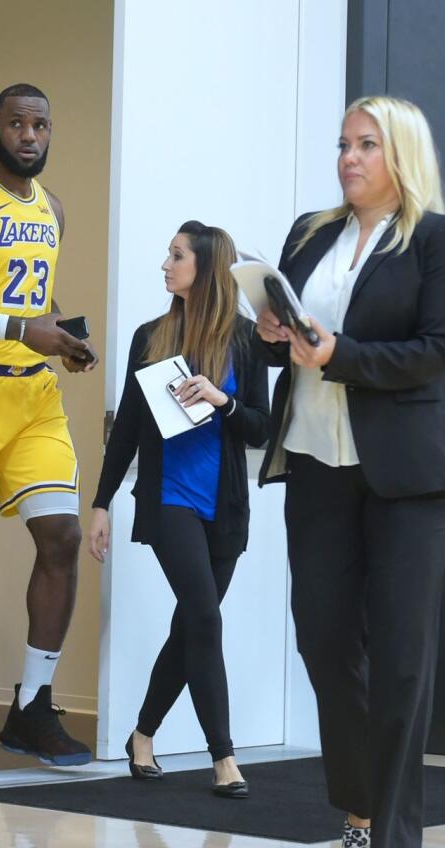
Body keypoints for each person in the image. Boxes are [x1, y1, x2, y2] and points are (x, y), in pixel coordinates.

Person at [251, 96, 445, 848]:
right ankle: (358, 797)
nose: (349, 158)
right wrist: (273, 337)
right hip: (316, 465)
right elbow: (281, 342)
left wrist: (340, 354)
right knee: (323, 641)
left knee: (404, 658)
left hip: (410, 476)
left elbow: (439, 349)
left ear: (400, 154)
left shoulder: (437, 239)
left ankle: (399, 844)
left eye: (367, 145)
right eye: (344, 144)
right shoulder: (310, 233)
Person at [0, 83, 100, 774]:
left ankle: (33, 708)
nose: (30, 135)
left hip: (33, 396)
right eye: (17, 123)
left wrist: (62, 335)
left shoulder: (53, 208)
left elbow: (35, 300)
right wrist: (20, 329)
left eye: (41, 124)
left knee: (61, 536)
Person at [87, 222, 270, 796]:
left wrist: (224, 401)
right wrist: (101, 503)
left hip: (226, 506)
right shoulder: (150, 337)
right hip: (168, 502)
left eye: (177, 256)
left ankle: (142, 736)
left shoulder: (244, 340)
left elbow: (261, 426)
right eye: (168, 254)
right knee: (206, 619)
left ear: (207, 267)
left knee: (190, 623)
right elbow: (128, 433)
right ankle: (225, 758)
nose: (165, 265)